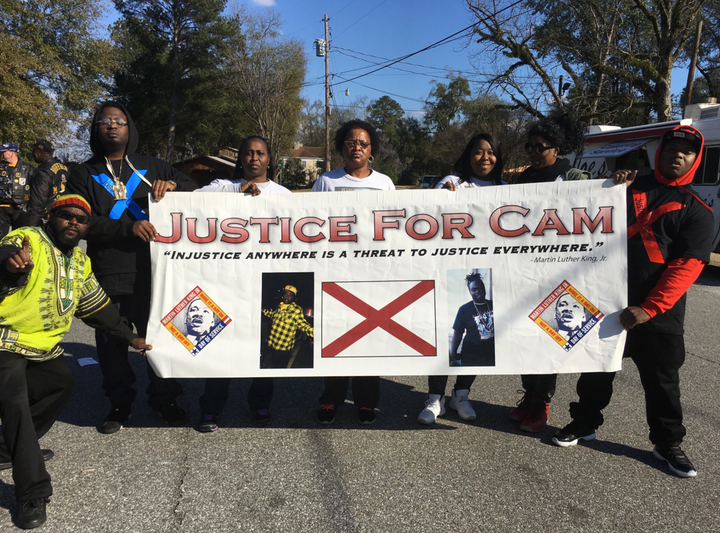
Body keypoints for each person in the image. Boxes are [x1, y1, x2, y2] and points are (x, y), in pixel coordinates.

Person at [552, 125, 713, 478]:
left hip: (657, 314)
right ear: (660, 151)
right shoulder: (625, 188)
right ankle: (584, 423)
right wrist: (609, 184)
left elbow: (687, 267)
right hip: (608, 304)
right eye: (671, 148)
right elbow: (580, 217)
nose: (677, 155)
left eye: (686, 152)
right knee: (596, 372)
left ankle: (667, 442)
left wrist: (649, 308)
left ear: (695, 159)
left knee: (663, 383)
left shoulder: (698, 210)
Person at [0, 194, 151, 529]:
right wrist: (10, 264)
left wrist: (131, 337)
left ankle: (8, 449)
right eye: (66, 215)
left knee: (61, 384)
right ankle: (32, 492)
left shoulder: (79, 263)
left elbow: (99, 308)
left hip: (43, 349)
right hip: (5, 341)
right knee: (14, 402)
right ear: (52, 217)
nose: (74, 222)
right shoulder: (30, 240)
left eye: (81, 220)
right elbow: (7, 253)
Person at [67, 101, 197, 434]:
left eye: (119, 120)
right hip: (108, 271)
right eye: (105, 121)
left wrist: (175, 188)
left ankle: (166, 399)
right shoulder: (83, 173)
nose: (112, 125)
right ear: (96, 128)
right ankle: (119, 403)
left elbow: (198, 193)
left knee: (160, 339)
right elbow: (79, 221)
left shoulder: (153, 166)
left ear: (130, 128)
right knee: (112, 344)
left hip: (155, 273)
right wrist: (126, 228)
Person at [196, 135, 292, 431]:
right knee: (221, 347)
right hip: (226, 281)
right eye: (248, 153)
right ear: (240, 158)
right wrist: (237, 191)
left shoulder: (283, 193)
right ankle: (211, 410)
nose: (254, 158)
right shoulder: (222, 186)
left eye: (260, 153)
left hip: (265, 282)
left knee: (263, 348)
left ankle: (260, 405)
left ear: (268, 158)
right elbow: (191, 201)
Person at [509, 110, 590, 433]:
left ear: (556, 147)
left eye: (539, 147)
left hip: (559, 276)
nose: (532, 152)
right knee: (525, 341)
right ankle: (529, 395)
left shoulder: (573, 177)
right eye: (528, 146)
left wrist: (619, 183)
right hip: (524, 274)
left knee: (548, 341)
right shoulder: (522, 178)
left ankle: (542, 402)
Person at [418, 133, 505, 425]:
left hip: (491, 264)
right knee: (446, 333)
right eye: (478, 152)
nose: (485, 158)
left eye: (491, 152)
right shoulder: (453, 183)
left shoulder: (506, 188)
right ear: (468, 156)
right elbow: (425, 212)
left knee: (482, 338)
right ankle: (434, 398)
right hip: (448, 267)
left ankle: (461, 395)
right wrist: (439, 194)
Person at [312, 119, 395, 425]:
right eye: (350, 142)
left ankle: (366, 402)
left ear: (371, 150)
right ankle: (331, 399)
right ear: (341, 147)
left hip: (372, 275)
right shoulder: (326, 182)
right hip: (334, 273)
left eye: (363, 143)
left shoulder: (385, 184)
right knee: (336, 337)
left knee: (368, 339)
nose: (356, 147)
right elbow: (309, 224)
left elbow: (395, 229)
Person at [262, 285, 314, 368]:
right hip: (272, 344)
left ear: (293, 297)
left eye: (290, 295)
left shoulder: (296, 310)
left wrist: (316, 333)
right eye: (286, 294)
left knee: (279, 371)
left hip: (283, 349)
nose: (287, 297)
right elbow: (273, 315)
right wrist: (264, 311)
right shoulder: (280, 306)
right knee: (271, 366)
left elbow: (303, 325)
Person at [27, 139, 68, 226]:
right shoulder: (65, 169)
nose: (33, 154)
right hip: (63, 216)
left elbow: (38, 201)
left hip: (46, 219)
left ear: (41, 152)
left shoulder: (43, 172)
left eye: (34, 151)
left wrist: (31, 226)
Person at [0, 142, 34, 237]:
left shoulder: (28, 168)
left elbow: (34, 187)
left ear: (12, 153)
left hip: (20, 208)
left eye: (4, 152)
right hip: (2, 208)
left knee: (19, 237)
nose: (2, 154)